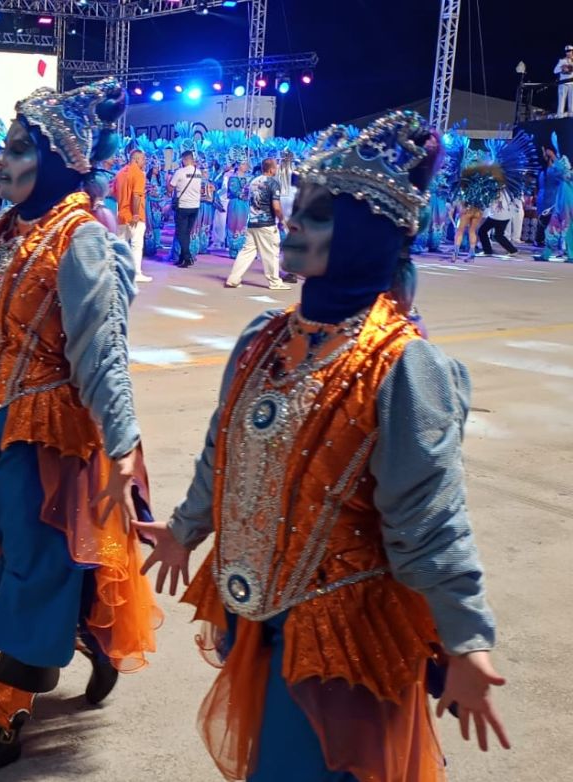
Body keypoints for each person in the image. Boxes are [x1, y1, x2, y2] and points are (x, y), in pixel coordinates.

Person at [139, 111, 508, 782]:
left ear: (366, 234)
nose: (292, 224)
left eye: (316, 216)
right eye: (295, 208)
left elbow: (430, 523)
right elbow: (221, 451)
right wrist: (185, 528)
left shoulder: (404, 366)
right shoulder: (264, 337)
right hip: (263, 616)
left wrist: (465, 638)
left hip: (345, 636)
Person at [0, 77, 160, 782]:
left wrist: (122, 445)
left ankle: (2, 717)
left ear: (61, 156)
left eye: (20, 147)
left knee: (32, 572)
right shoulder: (10, 229)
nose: (4, 159)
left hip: (51, 435)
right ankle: (89, 632)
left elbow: (102, 354)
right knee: (6, 561)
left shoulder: (84, 238)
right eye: (6, 144)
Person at [225, 157, 292, 290]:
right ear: (271, 169)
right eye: (276, 167)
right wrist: (283, 220)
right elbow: (277, 207)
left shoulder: (253, 181)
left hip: (252, 223)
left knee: (246, 252)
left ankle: (233, 279)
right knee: (272, 252)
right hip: (266, 224)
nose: (277, 169)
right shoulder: (273, 183)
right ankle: (275, 282)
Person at [114, 149, 152, 283]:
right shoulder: (139, 174)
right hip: (135, 215)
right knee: (136, 245)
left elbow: (113, 193)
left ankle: (118, 272)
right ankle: (136, 273)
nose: (145, 161)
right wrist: (135, 213)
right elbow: (136, 195)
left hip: (121, 215)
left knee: (120, 245)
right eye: (143, 159)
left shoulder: (119, 173)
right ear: (136, 159)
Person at [169, 149, 203, 267]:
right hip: (195, 206)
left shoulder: (180, 172)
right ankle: (182, 257)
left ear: (184, 160)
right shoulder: (198, 172)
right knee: (186, 233)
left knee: (181, 233)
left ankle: (187, 257)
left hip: (183, 206)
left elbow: (170, 188)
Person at [478, 192, 519, 257]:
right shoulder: (506, 190)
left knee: (482, 231)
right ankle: (513, 250)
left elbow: (488, 202)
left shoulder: (494, 190)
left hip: (497, 215)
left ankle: (487, 251)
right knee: (498, 235)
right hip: (506, 215)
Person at [556, 45, 573, 118]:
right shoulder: (562, 60)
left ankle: (571, 117)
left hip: (572, 84)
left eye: (570, 51)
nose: (568, 53)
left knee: (572, 103)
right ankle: (559, 117)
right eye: (567, 51)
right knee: (561, 102)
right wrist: (562, 69)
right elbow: (555, 71)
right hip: (563, 83)